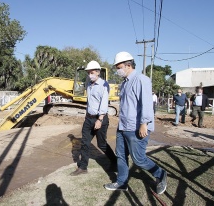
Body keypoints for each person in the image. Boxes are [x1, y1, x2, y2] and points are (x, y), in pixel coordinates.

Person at [104, 52, 167, 195]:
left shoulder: (141, 80)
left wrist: (144, 123)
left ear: (128, 65)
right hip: (123, 126)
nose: (117, 70)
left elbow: (146, 103)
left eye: (119, 67)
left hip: (137, 127)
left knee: (138, 159)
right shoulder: (125, 83)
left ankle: (160, 174)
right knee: (120, 155)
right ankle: (121, 182)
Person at [70, 60, 117, 176]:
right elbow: (89, 102)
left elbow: (104, 103)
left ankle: (115, 161)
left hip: (99, 118)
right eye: (88, 73)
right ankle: (83, 167)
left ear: (97, 72)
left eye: (91, 72)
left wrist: (100, 119)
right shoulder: (89, 85)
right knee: (85, 143)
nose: (89, 75)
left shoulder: (103, 85)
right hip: (89, 118)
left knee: (102, 144)